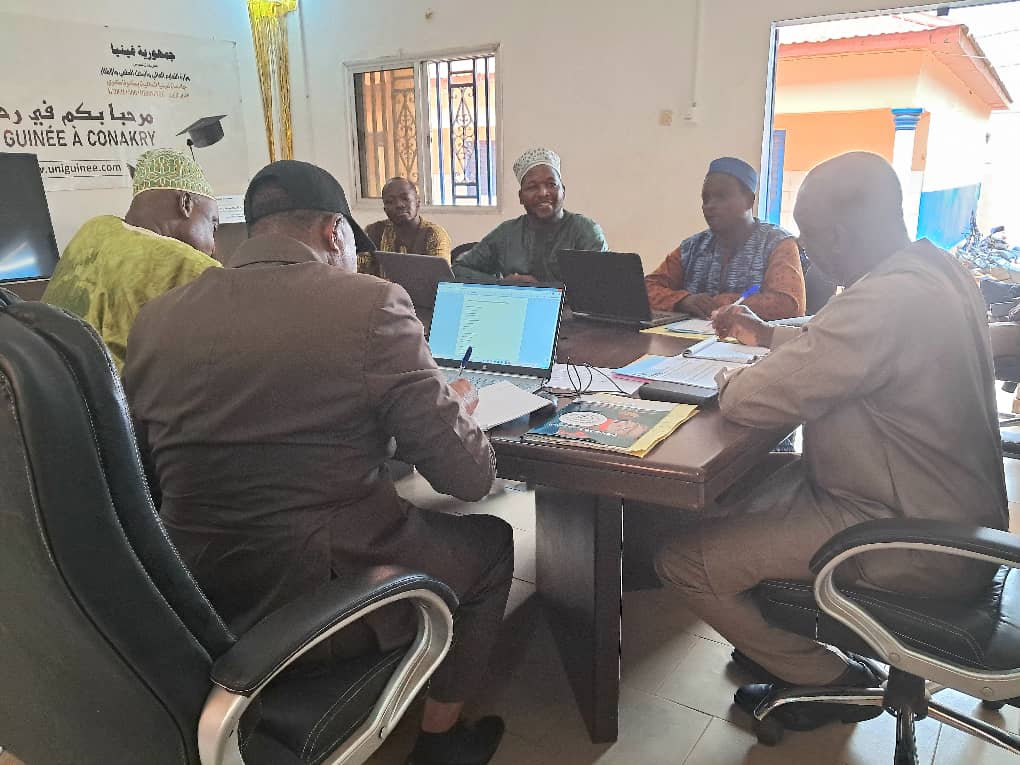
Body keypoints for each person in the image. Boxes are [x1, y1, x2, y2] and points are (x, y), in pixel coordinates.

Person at [123, 159, 511, 765]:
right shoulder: (373, 304)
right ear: (335, 233)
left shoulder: (157, 318)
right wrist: (450, 406)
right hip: (319, 594)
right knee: (491, 544)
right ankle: (440, 744)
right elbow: (469, 477)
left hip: (197, 591)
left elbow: (149, 471)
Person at [654, 152, 1007, 732]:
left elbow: (746, 401)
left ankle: (829, 678)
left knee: (682, 559)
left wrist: (730, 374)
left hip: (905, 531)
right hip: (951, 511)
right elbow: (837, 334)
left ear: (838, 235)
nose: (807, 253)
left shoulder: (885, 301)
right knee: (736, 499)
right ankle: (778, 640)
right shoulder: (935, 269)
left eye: (810, 237)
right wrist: (769, 333)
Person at [42, 148, 220, 372]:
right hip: (115, 395)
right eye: (213, 225)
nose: (213, 246)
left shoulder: (92, 231)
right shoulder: (194, 269)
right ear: (185, 204)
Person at [644, 157, 805, 320]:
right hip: (689, 335)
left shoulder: (777, 243)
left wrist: (720, 303)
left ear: (749, 201)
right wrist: (683, 300)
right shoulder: (692, 247)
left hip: (751, 336)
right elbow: (646, 288)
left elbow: (789, 305)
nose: (709, 206)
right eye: (705, 199)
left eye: (721, 197)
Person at [452, 148, 607, 283]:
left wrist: (549, 292)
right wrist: (501, 284)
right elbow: (459, 269)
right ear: (521, 197)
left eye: (551, 184)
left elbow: (601, 285)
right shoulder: (507, 233)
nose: (543, 193)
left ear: (563, 191)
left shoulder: (585, 230)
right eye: (532, 187)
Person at [364, 177, 452, 266]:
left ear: (417, 202)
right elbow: (360, 270)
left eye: (405, 198)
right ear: (385, 209)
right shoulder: (373, 232)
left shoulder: (434, 234)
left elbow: (440, 273)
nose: (399, 205)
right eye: (390, 201)